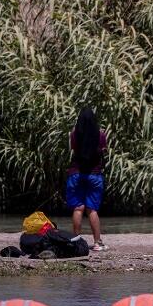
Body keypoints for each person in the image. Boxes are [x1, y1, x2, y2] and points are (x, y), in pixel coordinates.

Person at [66, 107, 109, 251]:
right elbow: (103, 152)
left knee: (78, 208)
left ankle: (76, 241)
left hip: (76, 174)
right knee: (92, 210)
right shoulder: (101, 135)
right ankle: (97, 242)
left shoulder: (74, 135)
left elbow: (74, 149)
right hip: (94, 174)